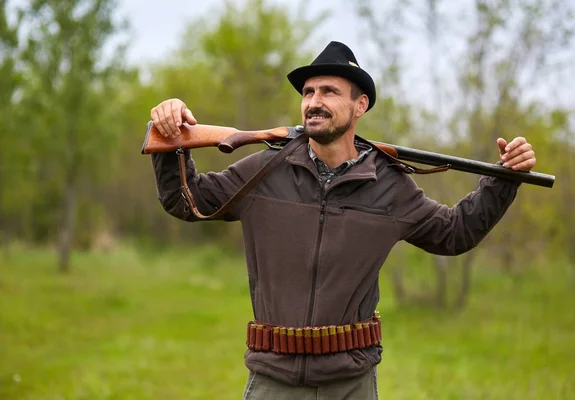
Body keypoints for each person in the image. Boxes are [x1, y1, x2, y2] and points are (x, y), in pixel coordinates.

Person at [149, 41, 536, 399]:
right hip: (273, 382)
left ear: (360, 105)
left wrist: (504, 179)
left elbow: (456, 234)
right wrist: (170, 141)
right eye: (308, 92)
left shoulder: (390, 185)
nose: (314, 101)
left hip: (350, 384)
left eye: (329, 92)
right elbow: (186, 200)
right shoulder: (263, 170)